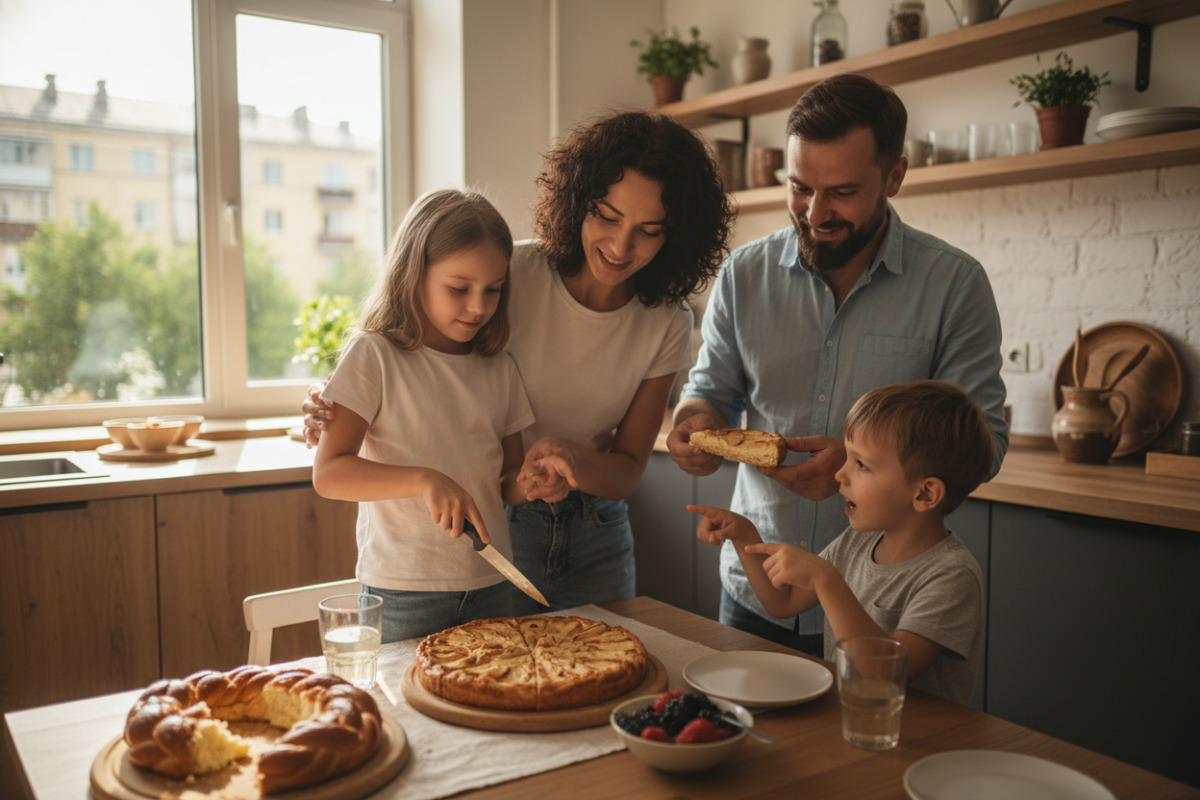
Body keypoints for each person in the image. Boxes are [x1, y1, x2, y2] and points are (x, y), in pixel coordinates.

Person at [305, 111, 735, 615]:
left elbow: (625, 472)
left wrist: (566, 460)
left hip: (594, 529)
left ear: (675, 236)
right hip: (497, 525)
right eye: (608, 216)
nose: (621, 246)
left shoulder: (666, 322)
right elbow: (412, 357)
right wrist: (335, 404)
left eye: (648, 230)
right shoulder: (509, 273)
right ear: (578, 202)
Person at [668, 72, 1008, 657]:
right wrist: (694, 424)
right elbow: (710, 394)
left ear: (894, 176)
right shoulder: (742, 276)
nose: (815, 212)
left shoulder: (955, 285)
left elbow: (984, 442)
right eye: (800, 187)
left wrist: (852, 463)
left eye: (843, 192)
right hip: (759, 590)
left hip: (889, 609)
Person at [311, 188, 536, 643]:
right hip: (402, 589)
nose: (478, 307)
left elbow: (507, 481)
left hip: (492, 582)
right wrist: (424, 479)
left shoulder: (500, 368)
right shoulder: (374, 355)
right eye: (459, 288)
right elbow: (330, 473)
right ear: (413, 274)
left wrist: (533, 482)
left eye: (493, 291)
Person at [688, 380, 993, 705]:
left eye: (861, 465)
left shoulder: (951, 576)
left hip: (916, 744)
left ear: (924, 494)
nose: (839, 475)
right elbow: (783, 603)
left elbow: (886, 676)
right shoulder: (857, 543)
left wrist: (827, 581)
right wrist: (744, 535)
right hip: (850, 728)